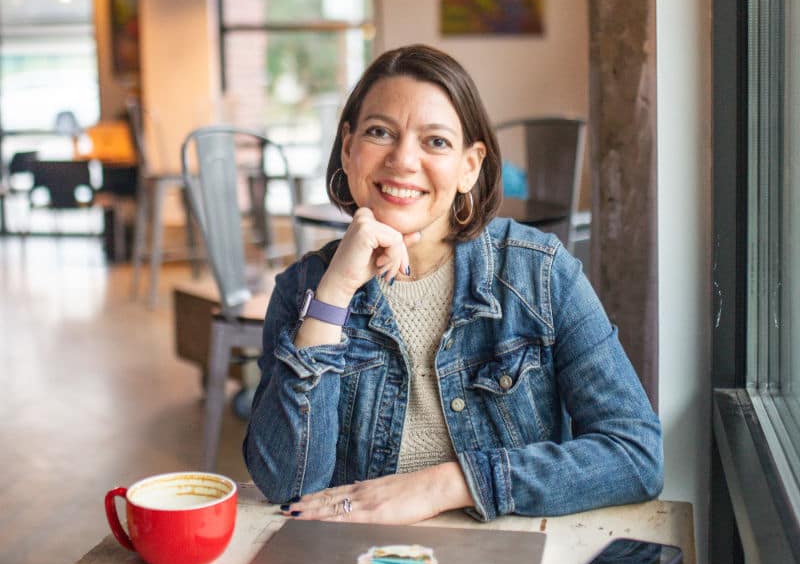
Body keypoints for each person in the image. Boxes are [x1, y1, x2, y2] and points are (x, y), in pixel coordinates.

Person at [244, 44, 663, 524]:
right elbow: (287, 485)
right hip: (356, 558)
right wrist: (334, 295)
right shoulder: (304, 288)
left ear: (470, 166)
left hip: (503, 554)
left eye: (435, 142)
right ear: (348, 148)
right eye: (380, 132)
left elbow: (636, 454)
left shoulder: (540, 272)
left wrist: (450, 483)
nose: (403, 160)